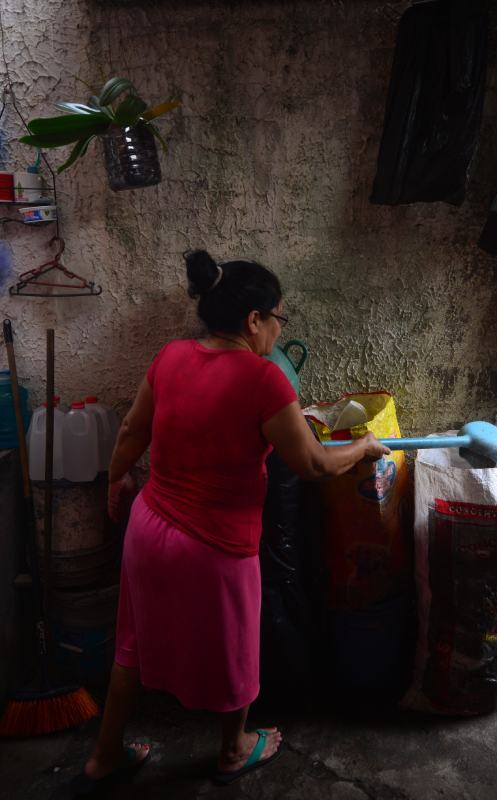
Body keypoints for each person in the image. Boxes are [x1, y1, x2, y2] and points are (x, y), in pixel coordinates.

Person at [73, 250, 390, 793]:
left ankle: (104, 756)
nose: (276, 330)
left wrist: (116, 480)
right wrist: (362, 447)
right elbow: (312, 464)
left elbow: (130, 430)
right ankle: (232, 748)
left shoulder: (170, 356)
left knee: (132, 644)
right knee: (236, 650)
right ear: (254, 321)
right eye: (278, 319)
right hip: (215, 545)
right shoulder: (264, 380)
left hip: (149, 529)